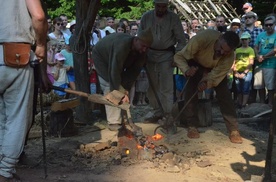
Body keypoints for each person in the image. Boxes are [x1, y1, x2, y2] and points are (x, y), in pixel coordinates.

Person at [0, 0, 51, 180]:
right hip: (15, 55)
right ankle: (5, 172)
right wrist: (41, 45)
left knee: (2, 117)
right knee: (16, 117)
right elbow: (38, 16)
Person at [174, 29, 243, 144]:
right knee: (190, 91)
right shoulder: (203, 38)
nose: (221, 53)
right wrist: (186, 70)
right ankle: (192, 125)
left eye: (225, 52)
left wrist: (206, 82)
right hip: (195, 64)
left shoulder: (229, 57)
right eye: (220, 48)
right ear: (219, 38)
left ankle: (233, 129)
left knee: (225, 96)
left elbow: (217, 75)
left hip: (214, 70)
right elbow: (179, 56)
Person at [92, 28, 153, 131]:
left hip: (119, 63)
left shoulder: (142, 51)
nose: (144, 50)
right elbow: (114, 72)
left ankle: (125, 120)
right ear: (136, 40)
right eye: (143, 46)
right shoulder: (121, 46)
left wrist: (125, 89)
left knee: (122, 91)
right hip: (103, 60)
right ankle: (114, 122)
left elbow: (134, 71)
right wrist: (119, 90)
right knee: (110, 87)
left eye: (147, 48)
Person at [139, 0, 186, 123]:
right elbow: (140, 37)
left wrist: (177, 56)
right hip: (149, 54)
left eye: (163, 6)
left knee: (166, 86)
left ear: (167, 6)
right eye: (158, 6)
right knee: (152, 86)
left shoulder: (173, 18)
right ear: (154, 5)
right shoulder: (146, 17)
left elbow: (181, 40)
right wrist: (142, 54)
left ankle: (168, 113)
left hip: (167, 55)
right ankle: (156, 111)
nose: (161, 9)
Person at [253, 15, 276, 106]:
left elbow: (275, 50)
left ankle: (270, 103)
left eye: (270, 24)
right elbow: (255, 46)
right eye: (266, 25)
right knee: (259, 85)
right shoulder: (260, 35)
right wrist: (258, 55)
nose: (268, 27)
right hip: (259, 63)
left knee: (270, 86)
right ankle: (262, 103)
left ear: (274, 24)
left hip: (271, 64)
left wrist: (263, 57)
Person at [233, 32, 255, 108]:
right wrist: (235, 72)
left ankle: (243, 104)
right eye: (242, 39)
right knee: (238, 89)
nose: (244, 41)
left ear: (249, 40)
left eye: (245, 39)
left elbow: (251, 62)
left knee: (245, 89)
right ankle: (239, 103)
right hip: (237, 71)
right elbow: (233, 61)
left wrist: (244, 73)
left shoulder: (251, 50)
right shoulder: (237, 50)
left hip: (247, 72)